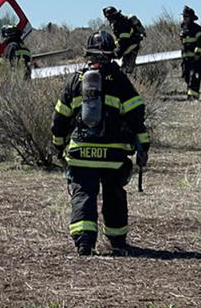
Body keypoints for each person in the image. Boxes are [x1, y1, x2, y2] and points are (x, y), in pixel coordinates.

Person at [51, 31, 151, 256]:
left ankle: (85, 242)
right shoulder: (120, 80)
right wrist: (143, 145)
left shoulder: (75, 80)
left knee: (83, 195)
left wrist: (58, 146)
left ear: (88, 53)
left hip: (81, 154)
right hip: (113, 156)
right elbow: (136, 115)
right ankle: (117, 240)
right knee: (114, 194)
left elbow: (60, 119)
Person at [102, 6, 145, 73]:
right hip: (128, 45)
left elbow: (124, 42)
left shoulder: (122, 24)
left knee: (126, 71)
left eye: (109, 18)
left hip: (132, 46)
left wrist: (116, 53)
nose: (108, 20)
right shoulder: (118, 22)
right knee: (123, 69)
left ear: (112, 16)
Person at [179, 6, 201, 100]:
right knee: (187, 77)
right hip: (187, 58)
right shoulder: (184, 29)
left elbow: (200, 42)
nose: (184, 19)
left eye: (186, 17)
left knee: (194, 77)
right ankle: (191, 94)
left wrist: (197, 54)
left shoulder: (197, 29)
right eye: (183, 17)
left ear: (191, 18)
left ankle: (193, 96)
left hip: (196, 59)